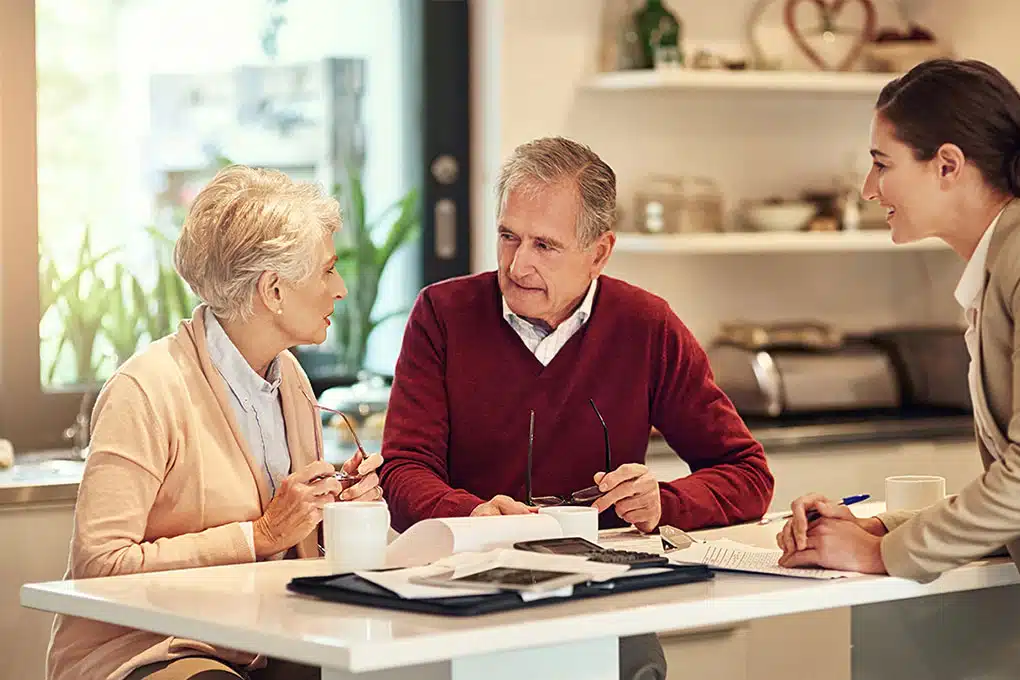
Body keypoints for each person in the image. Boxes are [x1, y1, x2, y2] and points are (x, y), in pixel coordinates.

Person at [379, 136, 775, 679]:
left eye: (545, 245)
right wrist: (471, 515)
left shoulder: (646, 325)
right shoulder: (442, 315)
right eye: (507, 236)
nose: (517, 264)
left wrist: (664, 501)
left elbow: (746, 474)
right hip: (466, 605)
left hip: (605, 607)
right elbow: (402, 471)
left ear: (600, 252)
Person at [46, 166, 384, 680]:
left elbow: (290, 553)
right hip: (151, 652)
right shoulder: (145, 389)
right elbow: (102, 566)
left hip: (260, 641)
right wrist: (261, 533)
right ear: (273, 290)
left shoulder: (289, 378)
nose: (339, 288)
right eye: (327, 270)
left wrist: (335, 510)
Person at [777, 59, 1020, 583]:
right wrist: (883, 530)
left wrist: (876, 555)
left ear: (948, 166)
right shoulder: (1000, 265)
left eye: (883, 164)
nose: (869, 188)